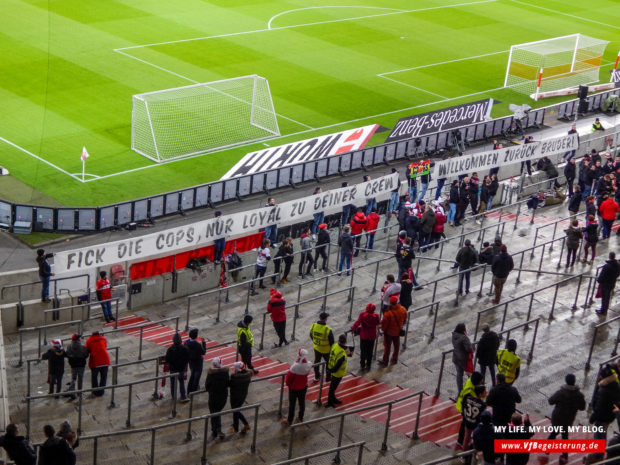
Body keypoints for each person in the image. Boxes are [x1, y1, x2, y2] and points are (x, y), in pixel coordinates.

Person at [547, 373, 586, 461]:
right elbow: (582, 407)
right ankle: (565, 455)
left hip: (557, 417)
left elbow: (550, 401)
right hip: (568, 419)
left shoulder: (561, 392)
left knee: (554, 432)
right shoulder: (579, 395)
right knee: (565, 436)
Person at [283, 349, 312, 426]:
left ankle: (289, 420)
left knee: (292, 404)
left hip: (294, 388)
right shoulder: (308, 364)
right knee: (302, 403)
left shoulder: (295, 366)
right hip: (303, 387)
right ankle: (300, 418)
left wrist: (289, 385)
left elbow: (289, 378)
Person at [205, 357, 229, 440]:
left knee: (213, 414)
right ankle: (219, 429)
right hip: (223, 396)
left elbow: (207, 386)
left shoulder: (211, 374)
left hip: (213, 397)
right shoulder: (225, 372)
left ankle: (214, 432)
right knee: (217, 412)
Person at [351, 303, 380, 371]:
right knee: (370, 350)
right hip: (372, 335)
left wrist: (353, 328)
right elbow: (378, 323)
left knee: (363, 350)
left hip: (364, 335)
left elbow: (357, 323)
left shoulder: (362, 315)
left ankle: (362, 364)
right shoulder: (376, 316)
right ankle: (368, 364)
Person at [379, 296, 407, 366]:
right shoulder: (403, 309)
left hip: (389, 333)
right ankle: (394, 359)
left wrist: (383, 329)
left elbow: (384, 325)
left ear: (390, 303)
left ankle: (385, 361)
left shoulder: (388, 314)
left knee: (387, 347)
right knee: (396, 346)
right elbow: (405, 317)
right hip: (397, 331)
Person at [165, 332, 190, 402]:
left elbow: (167, 359)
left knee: (173, 383)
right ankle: (183, 396)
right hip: (181, 369)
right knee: (181, 382)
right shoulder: (185, 348)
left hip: (173, 369)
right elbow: (188, 358)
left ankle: (173, 396)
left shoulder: (170, 349)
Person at [326, 334, 349, 408]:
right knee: (332, 388)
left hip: (331, 367)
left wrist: (329, 370)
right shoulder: (342, 354)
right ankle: (329, 402)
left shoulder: (335, 345)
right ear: (345, 342)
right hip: (337, 373)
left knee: (332, 388)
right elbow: (337, 367)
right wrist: (331, 371)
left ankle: (333, 399)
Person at [229, 361, 253, 433]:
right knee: (236, 410)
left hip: (235, 396)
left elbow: (230, 384)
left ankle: (238, 427)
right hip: (243, 395)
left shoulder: (235, 378)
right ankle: (242, 424)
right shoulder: (248, 375)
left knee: (235, 410)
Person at [461, 385, 487, 450]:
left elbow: (464, 408)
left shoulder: (468, 398)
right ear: (480, 394)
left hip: (467, 421)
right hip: (476, 424)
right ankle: (473, 453)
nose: (486, 392)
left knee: (466, 437)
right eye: (484, 392)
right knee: (476, 438)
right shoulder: (482, 405)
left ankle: (464, 454)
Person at [310, 312, 334, 381]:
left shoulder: (313, 325)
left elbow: (311, 335)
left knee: (317, 362)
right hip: (326, 350)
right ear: (325, 319)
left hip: (317, 348)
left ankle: (317, 376)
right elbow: (332, 342)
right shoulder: (327, 329)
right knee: (328, 364)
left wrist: (316, 341)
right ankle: (328, 378)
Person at [86, 331, 110, 396]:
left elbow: (87, 349)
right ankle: (101, 392)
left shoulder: (89, 340)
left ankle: (95, 391)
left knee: (94, 377)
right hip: (105, 360)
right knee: (103, 377)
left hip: (95, 361)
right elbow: (105, 346)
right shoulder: (103, 338)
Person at [452, 323, 473, 394]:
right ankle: (470, 389)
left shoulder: (454, 335)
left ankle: (460, 392)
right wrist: (467, 338)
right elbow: (469, 349)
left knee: (459, 375)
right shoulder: (464, 338)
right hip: (464, 360)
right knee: (469, 374)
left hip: (456, 358)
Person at [65, 334, 88, 400]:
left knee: (73, 378)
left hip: (73, 365)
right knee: (80, 378)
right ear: (78, 339)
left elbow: (67, 354)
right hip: (81, 365)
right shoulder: (82, 347)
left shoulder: (69, 346)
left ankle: (72, 391)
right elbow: (86, 355)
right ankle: (79, 392)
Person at [185, 328, 207, 394]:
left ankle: (189, 389)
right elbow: (203, 352)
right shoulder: (197, 345)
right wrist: (203, 343)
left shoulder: (186, 342)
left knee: (192, 374)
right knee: (196, 377)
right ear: (196, 336)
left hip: (191, 362)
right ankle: (194, 390)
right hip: (198, 362)